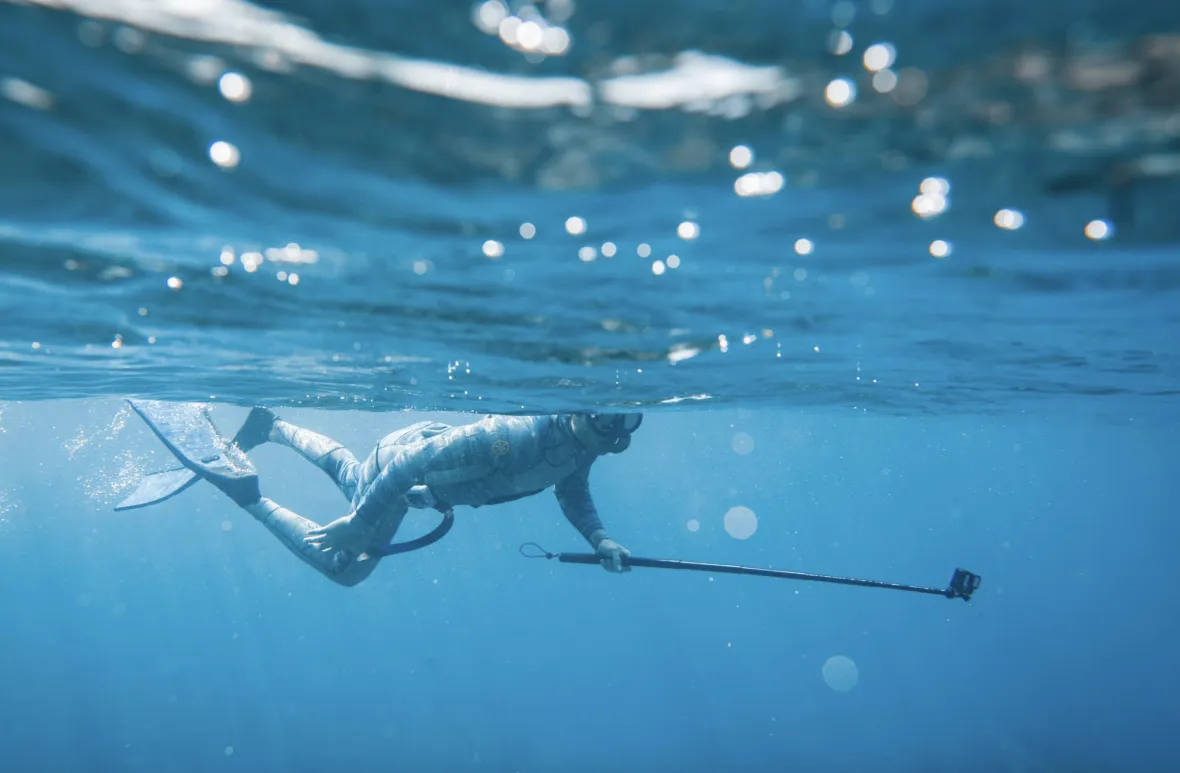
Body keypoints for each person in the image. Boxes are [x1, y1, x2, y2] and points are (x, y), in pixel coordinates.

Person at [204, 408, 642, 588]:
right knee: (346, 568)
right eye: (608, 419)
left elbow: (571, 487)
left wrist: (599, 538)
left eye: (627, 420)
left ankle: (271, 427)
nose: (617, 431)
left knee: (354, 477)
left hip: (411, 467)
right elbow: (408, 464)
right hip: (404, 463)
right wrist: (360, 524)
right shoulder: (513, 436)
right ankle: (245, 494)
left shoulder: (581, 446)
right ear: (577, 411)